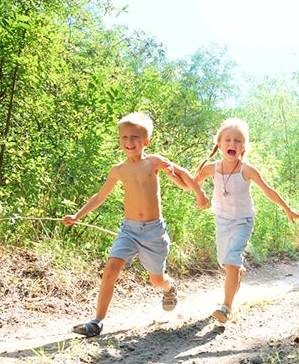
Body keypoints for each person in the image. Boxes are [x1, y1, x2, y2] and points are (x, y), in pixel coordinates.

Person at [63, 112, 209, 337]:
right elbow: (100, 196)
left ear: (146, 141)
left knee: (156, 279)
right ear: (120, 140)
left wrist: (199, 193)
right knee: (111, 268)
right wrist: (77, 215)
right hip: (129, 230)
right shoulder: (118, 170)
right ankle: (97, 321)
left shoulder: (154, 162)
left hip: (153, 232)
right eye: (124, 137)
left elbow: (183, 174)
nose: (129, 142)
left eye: (135, 138)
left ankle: (169, 287)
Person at [194, 118, 299, 323]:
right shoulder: (212, 168)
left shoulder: (247, 170)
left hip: (243, 221)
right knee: (225, 263)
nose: (232, 144)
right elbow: (191, 182)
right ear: (219, 145)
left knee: (231, 259)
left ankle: (226, 308)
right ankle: (238, 272)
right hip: (222, 221)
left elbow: (268, 191)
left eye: (238, 141)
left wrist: (287, 209)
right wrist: (198, 193)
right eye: (227, 140)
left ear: (243, 147)